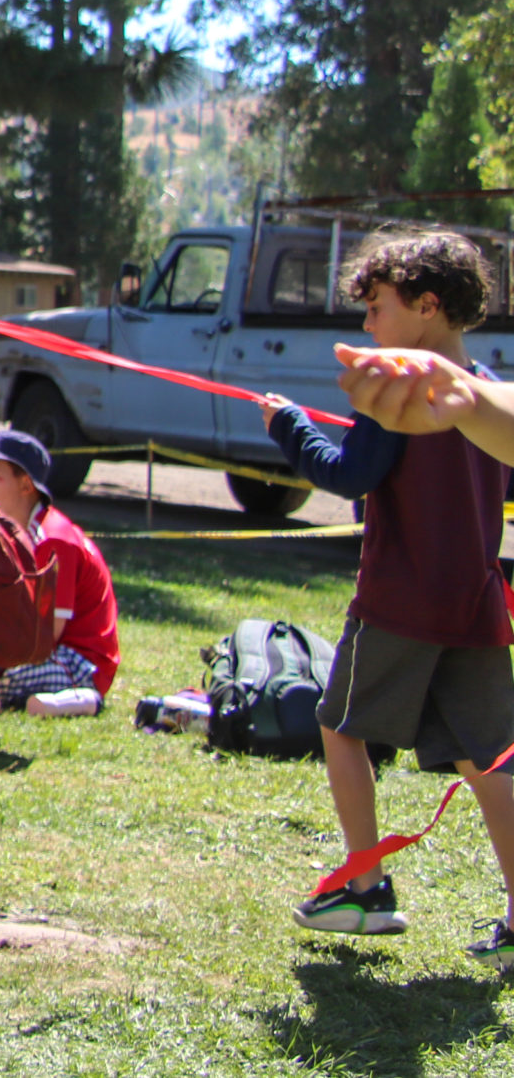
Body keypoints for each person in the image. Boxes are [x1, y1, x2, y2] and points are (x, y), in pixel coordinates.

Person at [259, 231, 514, 967]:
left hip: (399, 600)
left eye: (376, 307)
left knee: (339, 726)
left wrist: (288, 426)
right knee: (490, 759)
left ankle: (364, 887)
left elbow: (349, 475)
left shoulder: (399, 391)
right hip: (475, 603)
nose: (367, 325)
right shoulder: (490, 394)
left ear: (427, 305)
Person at [0, 430, 118, 717]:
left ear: (25, 485)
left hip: (79, 661)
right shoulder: (15, 529)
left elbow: (47, 632)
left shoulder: (52, 540)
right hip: (43, 648)